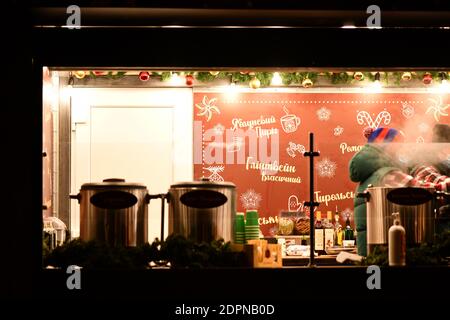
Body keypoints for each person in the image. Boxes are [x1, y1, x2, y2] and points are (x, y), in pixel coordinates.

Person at [348, 127, 439, 256]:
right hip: (385, 253)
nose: (402, 148)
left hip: (373, 253)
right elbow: (422, 191)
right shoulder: (388, 174)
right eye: (398, 143)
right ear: (387, 146)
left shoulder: (372, 174)